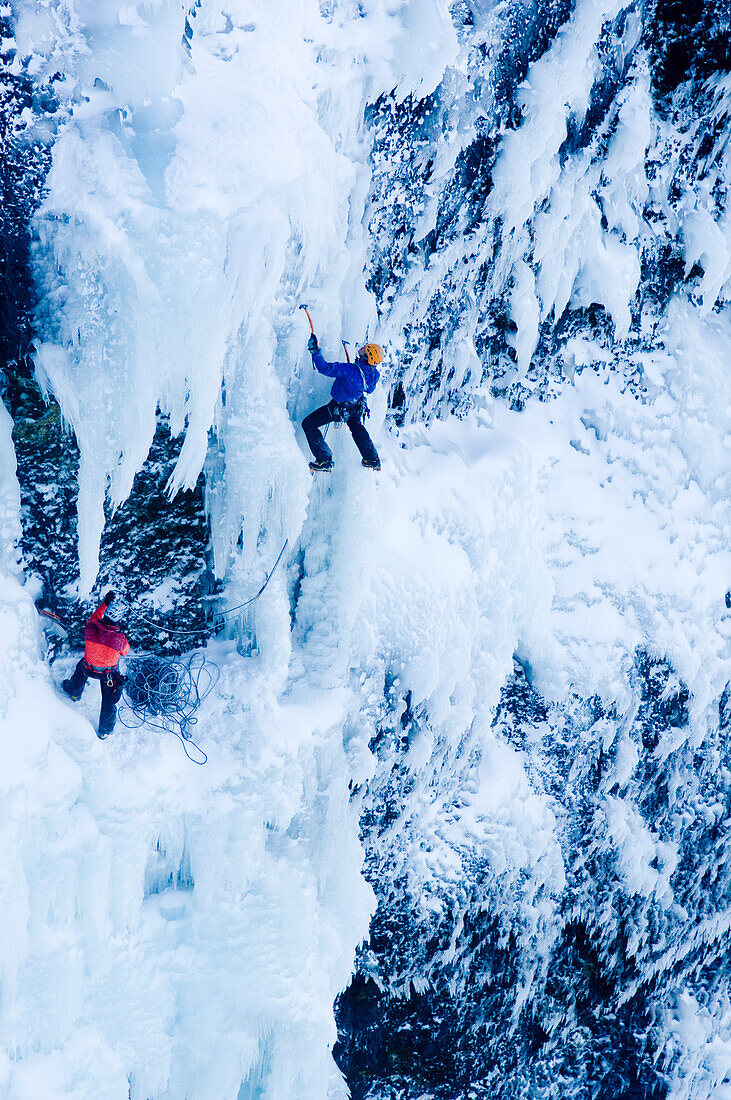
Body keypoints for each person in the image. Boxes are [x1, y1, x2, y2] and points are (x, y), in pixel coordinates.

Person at [302, 335, 384, 472]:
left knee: (308, 424)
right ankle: (372, 458)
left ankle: (324, 459)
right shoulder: (374, 375)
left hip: (339, 407)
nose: (361, 351)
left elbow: (325, 368)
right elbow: (368, 389)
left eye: (364, 351)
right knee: (356, 427)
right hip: (356, 407)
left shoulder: (349, 370)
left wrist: (315, 351)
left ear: (367, 357)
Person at [62, 590, 130, 739]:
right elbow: (125, 651)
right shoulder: (120, 640)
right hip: (107, 674)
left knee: (80, 670)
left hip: (88, 667)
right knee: (109, 699)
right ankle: (104, 730)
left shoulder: (90, 629)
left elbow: (95, 617)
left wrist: (106, 602)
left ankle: (74, 692)